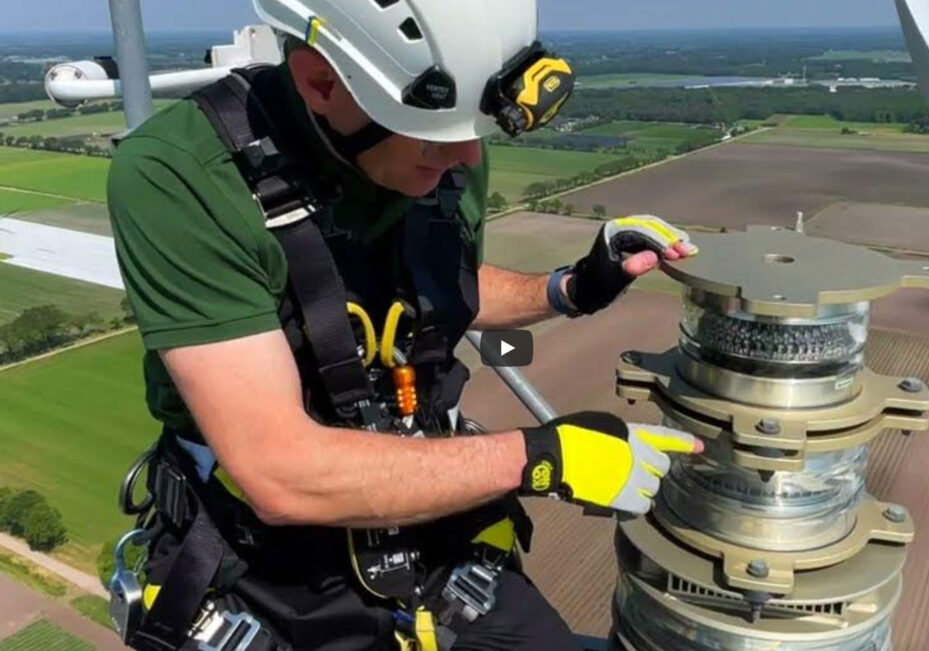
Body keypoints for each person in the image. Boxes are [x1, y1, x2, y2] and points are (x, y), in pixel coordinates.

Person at [106, 1, 702, 649]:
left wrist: (575, 287)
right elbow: (279, 472)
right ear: (322, 83)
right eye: (438, 134)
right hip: (272, 570)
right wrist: (541, 457)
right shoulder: (185, 177)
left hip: (436, 530)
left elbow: (443, 286)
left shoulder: (441, 148)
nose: (468, 153)